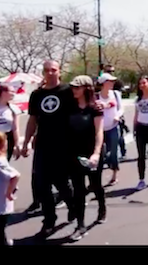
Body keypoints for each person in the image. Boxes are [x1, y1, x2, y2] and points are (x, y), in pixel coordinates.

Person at [21, 60, 76, 238]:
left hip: (64, 145)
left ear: (59, 71)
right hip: (43, 145)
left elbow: (80, 111)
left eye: (53, 70)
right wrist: (26, 142)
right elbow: (32, 119)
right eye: (47, 70)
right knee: (42, 184)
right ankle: (49, 221)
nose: (50, 73)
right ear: (43, 73)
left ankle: (72, 205)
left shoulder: (68, 91)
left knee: (62, 183)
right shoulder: (37, 94)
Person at [67, 75, 106, 240]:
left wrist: (96, 153)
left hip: (92, 153)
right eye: (73, 87)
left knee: (95, 184)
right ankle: (80, 225)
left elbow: (99, 132)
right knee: (78, 189)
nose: (74, 90)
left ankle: (102, 208)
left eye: (78, 87)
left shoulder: (94, 108)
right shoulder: (69, 106)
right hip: (74, 154)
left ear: (86, 89)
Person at [96, 73, 122, 186]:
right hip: (100, 129)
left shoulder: (115, 94)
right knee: (100, 154)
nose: (112, 83)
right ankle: (96, 180)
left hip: (113, 127)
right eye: (109, 81)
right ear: (103, 83)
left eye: (112, 81)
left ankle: (114, 175)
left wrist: (117, 116)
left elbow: (121, 108)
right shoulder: (96, 97)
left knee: (113, 153)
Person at [104, 65, 128, 159]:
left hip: (116, 110)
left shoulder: (117, 82)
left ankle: (122, 152)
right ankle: (108, 154)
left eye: (112, 71)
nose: (111, 72)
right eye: (109, 71)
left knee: (119, 134)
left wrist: (119, 115)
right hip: (106, 113)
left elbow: (122, 92)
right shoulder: (102, 81)